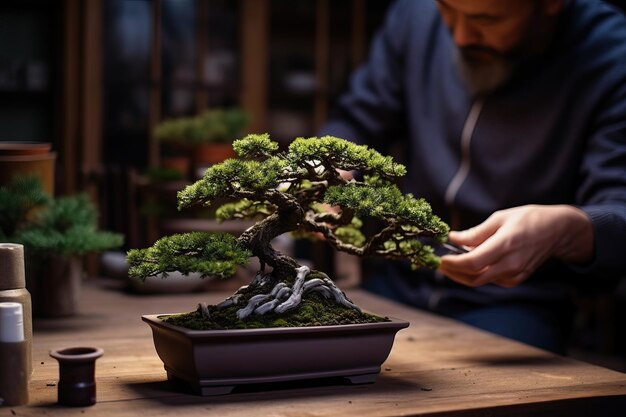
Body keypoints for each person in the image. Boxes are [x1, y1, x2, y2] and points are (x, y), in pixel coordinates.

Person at [320, 0, 626, 354]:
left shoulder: (609, 54)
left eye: (487, 19)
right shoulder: (415, 15)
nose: (461, 35)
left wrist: (567, 227)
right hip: (398, 275)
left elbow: (619, 210)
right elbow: (357, 119)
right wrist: (328, 170)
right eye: (447, 10)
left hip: (515, 302)